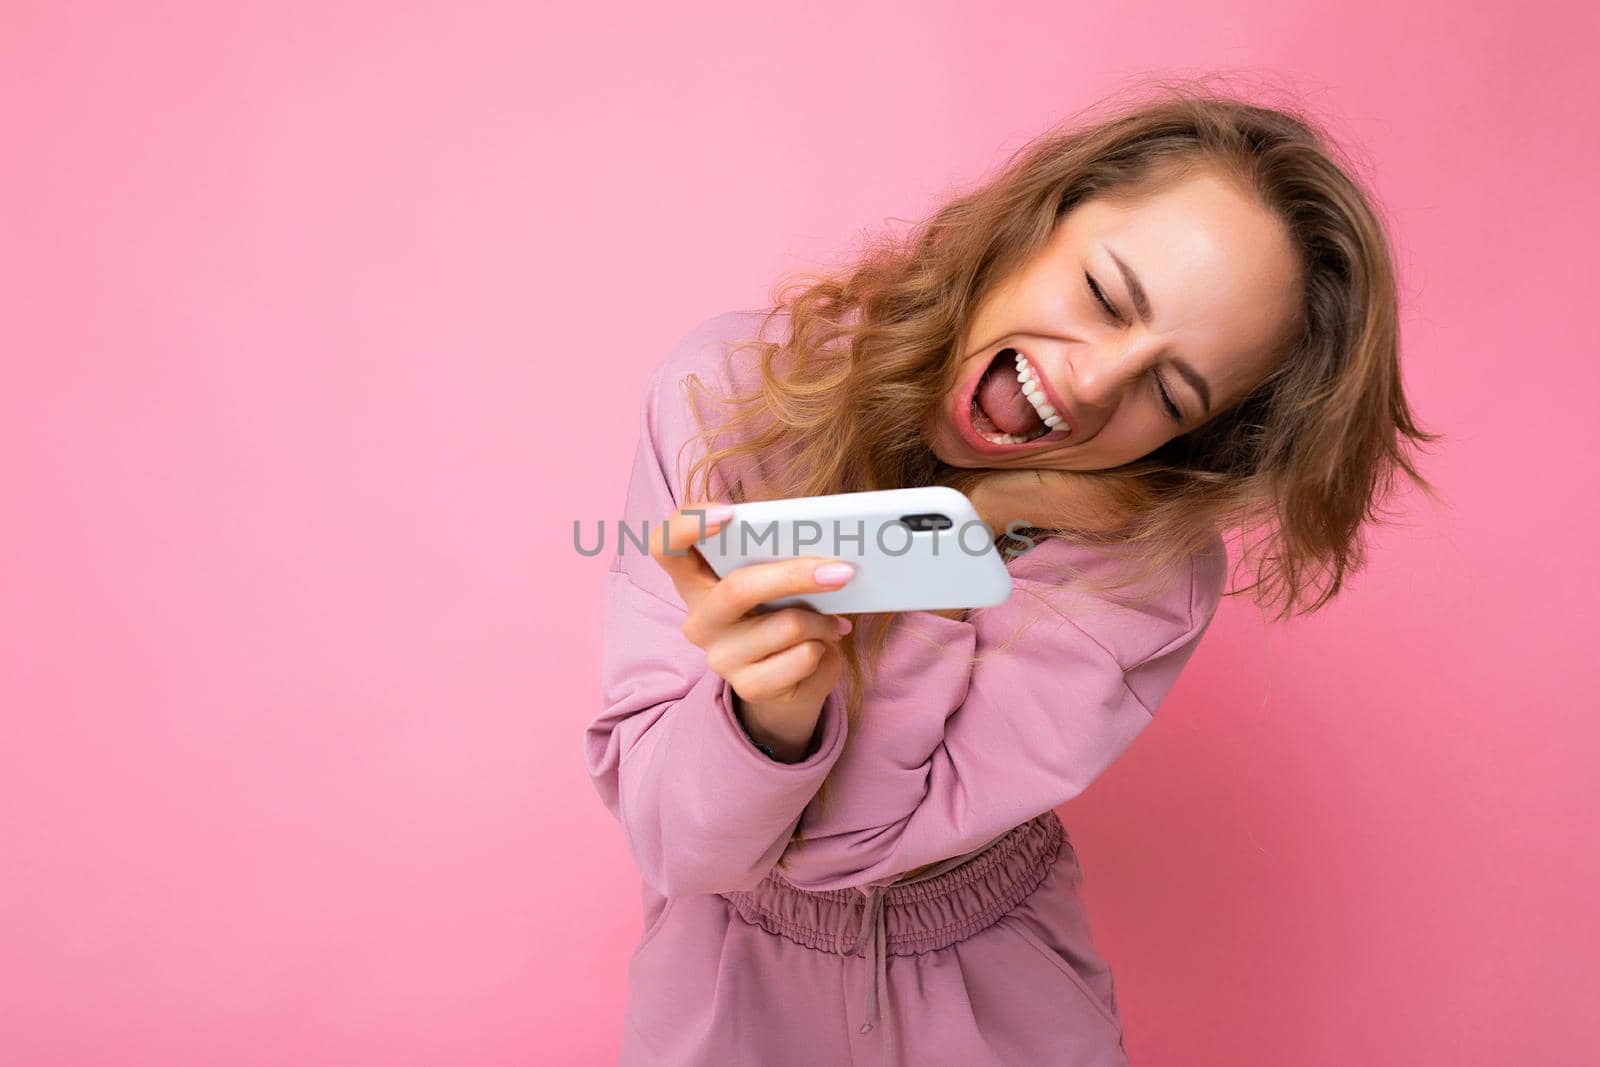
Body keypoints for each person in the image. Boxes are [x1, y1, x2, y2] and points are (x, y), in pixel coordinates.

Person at [584, 87, 1439, 1066]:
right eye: (1106, 295)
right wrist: (763, 719)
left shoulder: (1147, 571)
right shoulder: (730, 393)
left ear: (1192, 434)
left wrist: (958, 540)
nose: (1090, 381)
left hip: (998, 1005)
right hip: (725, 996)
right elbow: (681, 846)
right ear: (1036, 218)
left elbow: (846, 849)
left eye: (1168, 389)